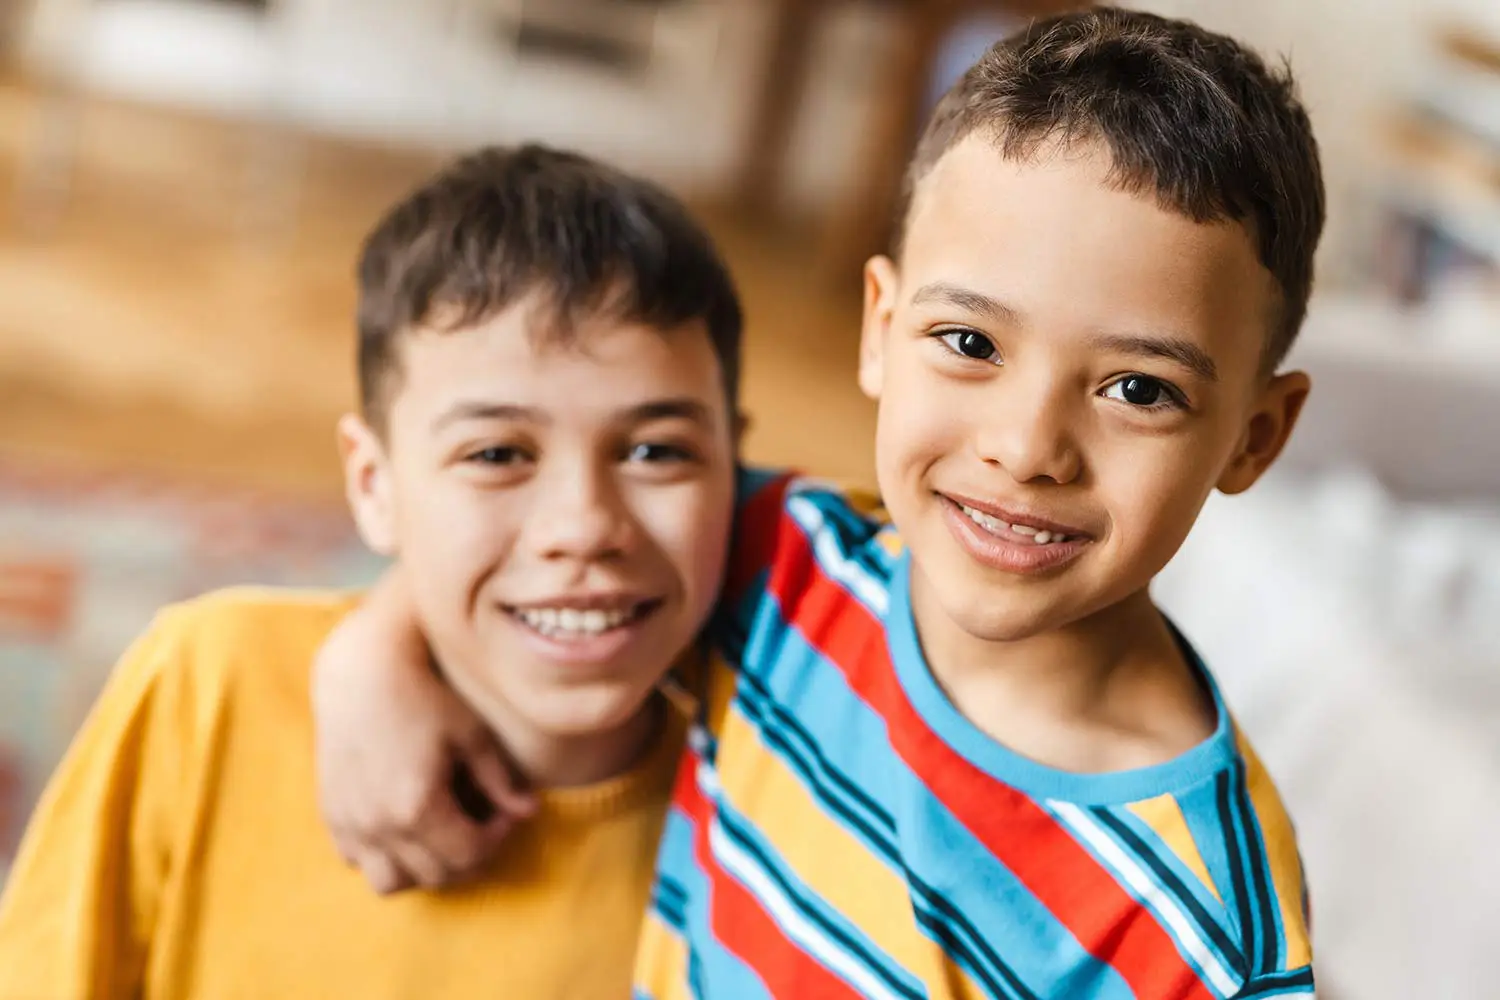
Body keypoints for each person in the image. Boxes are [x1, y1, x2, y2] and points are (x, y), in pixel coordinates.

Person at [315, 8, 1325, 997]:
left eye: (1139, 390)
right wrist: (371, 655)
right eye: (970, 343)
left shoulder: (1212, 932)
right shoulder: (791, 564)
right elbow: (574, 545)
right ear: (880, 329)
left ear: (1255, 435)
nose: (1025, 450)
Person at [0, 144, 747, 999]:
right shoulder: (208, 684)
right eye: (498, 452)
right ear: (373, 484)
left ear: (739, 467)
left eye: (657, 450)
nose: (583, 526)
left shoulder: (776, 809)